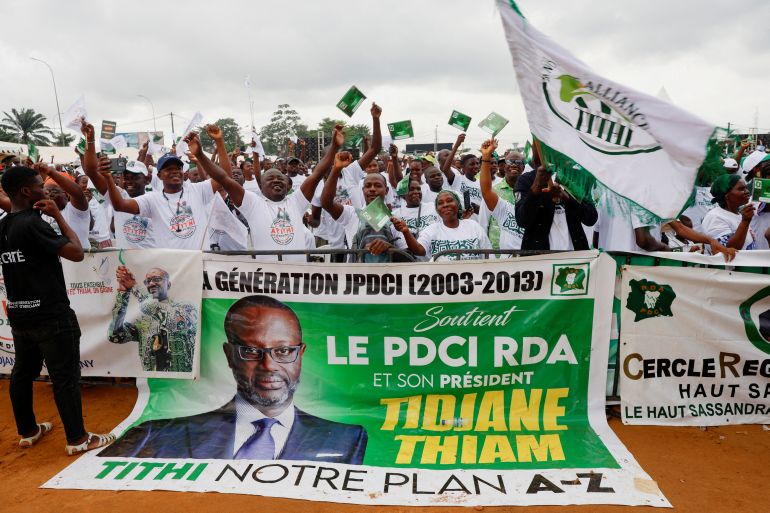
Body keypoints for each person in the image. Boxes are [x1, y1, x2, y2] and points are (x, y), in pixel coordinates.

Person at [100, 295, 367, 463]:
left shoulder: (346, 439)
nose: (268, 365)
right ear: (229, 355)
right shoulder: (159, 433)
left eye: (284, 351)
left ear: (301, 354)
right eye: (251, 351)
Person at [0, 166, 114, 455]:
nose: (44, 189)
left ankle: (28, 431)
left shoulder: (3, 225)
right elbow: (76, 253)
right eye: (39, 185)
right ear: (27, 192)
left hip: (19, 313)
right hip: (51, 315)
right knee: (64, 378)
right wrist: (59, 217)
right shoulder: (34, 223)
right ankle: (78, 439)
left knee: (22, 373)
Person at [188, 124, 333, 262]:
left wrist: (335, 147)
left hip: (297, 279)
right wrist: (202, 153)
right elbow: (223, 178)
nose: (276, 180)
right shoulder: (253, 203)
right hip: (265, 282)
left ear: (287, 186)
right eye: (270, 178)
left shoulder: (296, 201)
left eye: (280, 178)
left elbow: (318, 173)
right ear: (261, 187)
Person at [104, 146, 219, 249]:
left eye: (178, 168)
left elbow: (224, 177)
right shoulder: (151, 199)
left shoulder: (198, 190)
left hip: (199, 265)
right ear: (158, 175)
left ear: (183, 172)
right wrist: (108, 177)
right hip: (168, 265)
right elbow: (120, 205)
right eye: (169, 169)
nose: (174, 172)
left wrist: (214, 146)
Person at [320, 150, 408, 263]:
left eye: (377, 185)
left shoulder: (394, 220)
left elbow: (407, 256)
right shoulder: (351, 214)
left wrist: (389, 248)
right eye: (368, 186)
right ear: (363, 190)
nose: (372, 189)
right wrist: (336, 169)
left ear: (386, 191)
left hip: (385, 277)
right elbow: (326, 203)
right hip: (355, 278)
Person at [108, 265, 198, 373]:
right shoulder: (142, 319)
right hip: (153, 385)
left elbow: (170, 320)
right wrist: (123, 294)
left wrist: (135, 287)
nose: (151, 284)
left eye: (157, 279)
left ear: (168, 285)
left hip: (182, 385)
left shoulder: (186, 308)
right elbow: (115, 336)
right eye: (148, 281)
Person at [513, 152, 597, 251]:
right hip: (540, 259)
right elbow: (522, 220)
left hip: (576, 258)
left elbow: (591, 218)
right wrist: (537, 185)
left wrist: (568, 199)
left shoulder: (577, 179)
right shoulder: (526, 179)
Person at [393, 189, 491, 261]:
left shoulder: (474, 226)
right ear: (437, 210)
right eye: (440, 203)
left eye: (449, 201)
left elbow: (489, 256)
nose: (445, 205)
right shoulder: (431, 230)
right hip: (442, 284)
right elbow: (419, 251)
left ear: (458, 205)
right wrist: (406, 232)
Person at [479, 147, 525, 251]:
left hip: (525, 250)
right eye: (510, 161)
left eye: (518, 162)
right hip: (497, 252)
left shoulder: (529, 192)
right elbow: (483, 222)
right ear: (504, 166)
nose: (514, 164)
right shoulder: (494, 191)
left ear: (523, 167)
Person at [701, 174, 757, 250]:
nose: (747, 191)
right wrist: (745, 221)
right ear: (726, 195)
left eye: (746, 188)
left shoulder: (738, 213)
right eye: (741, 189)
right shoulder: (715, 217)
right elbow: (727, 250)